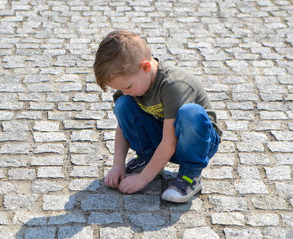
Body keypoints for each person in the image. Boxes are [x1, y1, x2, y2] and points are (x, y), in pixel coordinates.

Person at [93, 30, 222, 203]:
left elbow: (169, 143)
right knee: (123, 105)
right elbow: (122, 128)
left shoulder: (173, 85)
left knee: (190, 113)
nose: (125, 91)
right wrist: (118, 165)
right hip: (165, 140)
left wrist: (143, 179)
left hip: (198, 143)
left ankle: (191, 175)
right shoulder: (136, 84)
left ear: (146, 67)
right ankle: (148, 159)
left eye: (128, 87)